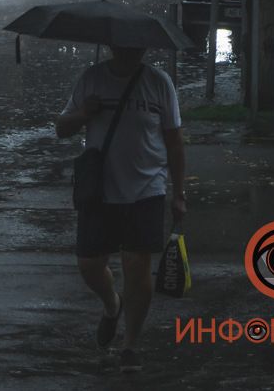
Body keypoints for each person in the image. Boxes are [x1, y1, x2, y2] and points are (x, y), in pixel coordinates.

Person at [55, 46, 186, 373]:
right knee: (89, 263)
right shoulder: (92, 79)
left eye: (136, 46)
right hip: (99, 190)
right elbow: (62, 127)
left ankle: (130, 345)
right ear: (113, 46)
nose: (131, 51)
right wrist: (84, 114)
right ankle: (112, 303)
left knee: (137, 263)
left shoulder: (159, 83)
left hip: (147, 188)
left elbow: (173, 139)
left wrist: (179, 191)